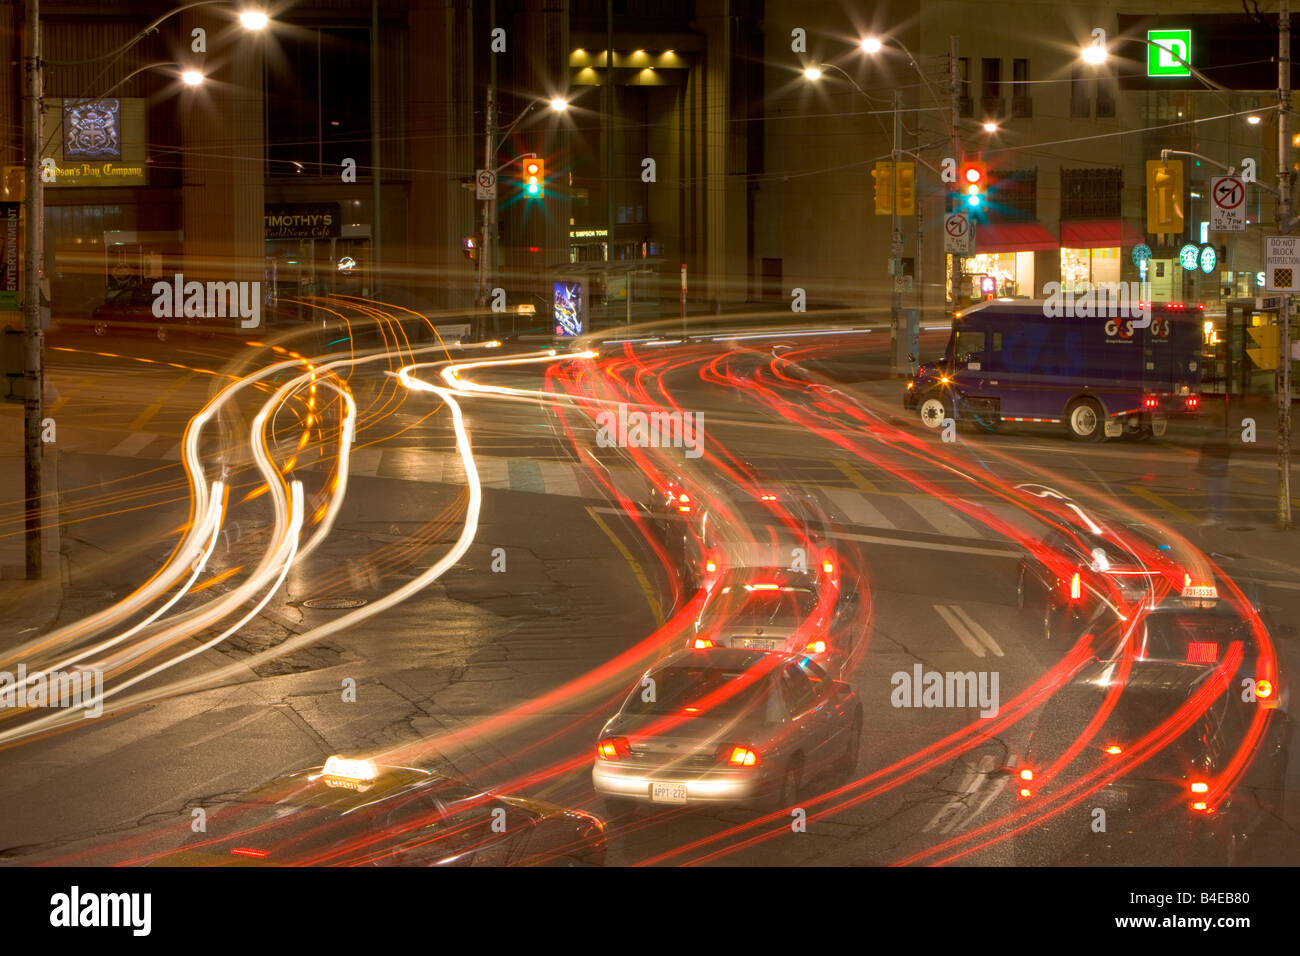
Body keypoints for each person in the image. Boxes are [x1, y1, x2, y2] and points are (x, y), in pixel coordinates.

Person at [1197, 426, 1232, 524]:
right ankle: (1220, 516)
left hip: (1213, 472)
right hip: (1219, 472)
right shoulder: (1222, 442)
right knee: (1219, 494)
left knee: (1214, 494)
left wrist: (1202, 467)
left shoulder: (1211, 442)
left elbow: (1204, 456)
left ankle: (1216, 516)